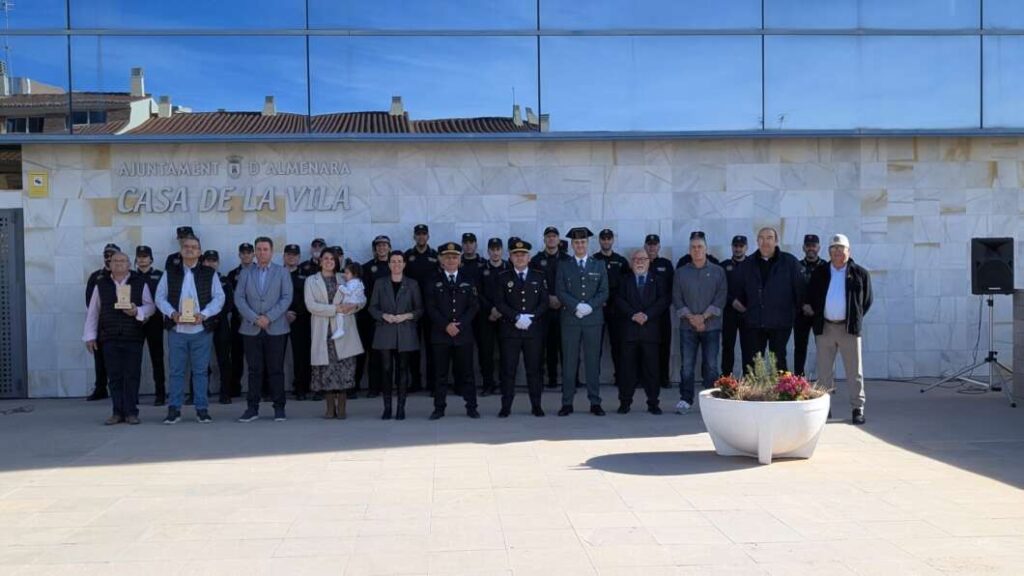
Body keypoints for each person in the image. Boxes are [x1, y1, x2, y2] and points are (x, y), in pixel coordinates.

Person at [155, 235, 225, 425]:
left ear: (200, 252)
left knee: (201, 372)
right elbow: (160, 297)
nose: (190, 249)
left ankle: (201, 409)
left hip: (201, 330)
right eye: (186, 246)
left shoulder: (209, 273)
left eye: (194, 247)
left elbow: (219, 298)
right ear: (181, 250)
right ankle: (174, 410)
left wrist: (204, 314)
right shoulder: (170, 272)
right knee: (176, 371)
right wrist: (172, 314)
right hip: (177, 329)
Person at [806, 234, 872, 425]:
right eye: (833, 248)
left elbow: (866, 301)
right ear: (828, 252)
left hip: (848, 329)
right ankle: (824, 408)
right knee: (824, 371)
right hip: (825, 328)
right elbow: (811, 295)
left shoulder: (860, 273)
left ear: (848, 251)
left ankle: (857, 407)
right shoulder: (820, 272)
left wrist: (853, 317)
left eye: (840, 248)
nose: (837, 252)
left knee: (854, 371)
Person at [82, 251, 155, 424]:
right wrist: (90, 336)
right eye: (115, 261)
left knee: (131, 375)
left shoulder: (139, 281)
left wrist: (137, 311)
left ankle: (131, 412)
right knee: (114, 376)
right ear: (109, 264)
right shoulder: (101, 284)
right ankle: (117, 412)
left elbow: (151, 306)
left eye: (123, 261)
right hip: (109, 336)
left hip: (133, 335)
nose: (119, 264)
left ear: (129, 264)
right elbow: (93, 311)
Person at [235, 236, 293, 423]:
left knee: (276, 369)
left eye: (265, 249)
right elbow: (239, 298)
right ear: (254, 252)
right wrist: (254, 318)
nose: (261, 252)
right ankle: (252, 408)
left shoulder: (282, 272)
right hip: (251, 329)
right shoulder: (246, 272)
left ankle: (279, 408)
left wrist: (268, 317)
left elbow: (286, 298)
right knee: (254, 370)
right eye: (258, 249)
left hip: (275, 327)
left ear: (271, 251)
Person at [733, 227, 804, 372]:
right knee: (753, 365)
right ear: (757, 241)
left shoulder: (790, 262)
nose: (765, 241)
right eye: (761, 238)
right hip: (754, 324)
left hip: (780, 323)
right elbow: (737, 292)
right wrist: (745, 311)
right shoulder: (747, 264)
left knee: (778, 363)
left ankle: (781, 394)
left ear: (776, 241)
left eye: (769, 237)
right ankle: (753, 394)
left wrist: (791, 314)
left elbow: (800, 291)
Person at [305, 248, 365, 419]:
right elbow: (311, 305)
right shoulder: (311, 280)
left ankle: (343, 407)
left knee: (344, 370)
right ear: (320, 260)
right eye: (325, 258)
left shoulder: (343, 276)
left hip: (344, 331)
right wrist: (334, 309)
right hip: (324, 331)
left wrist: (354, 306)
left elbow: (361, 297)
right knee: (327, 370)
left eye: (332, 258)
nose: (329, 261)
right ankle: (330, 408)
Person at [557, 227, 609, 416]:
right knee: (569, 362)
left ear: (588, 244)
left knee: (592, 362)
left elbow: (604, 291)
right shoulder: (564, 265)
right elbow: (560, 290)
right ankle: (567, 403)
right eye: (576, 242)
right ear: (572, 245)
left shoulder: (598, 264)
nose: (580, 245)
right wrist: (576, 306)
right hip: (571, 319)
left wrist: (590, 306)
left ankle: (595, 402)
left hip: (593, 319)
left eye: (583, 242)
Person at [425, 242, 481, 420]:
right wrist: (445, 325)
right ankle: (439, 408)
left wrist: (460, 325)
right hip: (441, 334)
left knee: (467, 374)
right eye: (447, 257)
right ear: (441, 259)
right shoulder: (433, 280)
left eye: (455, 257)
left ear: (460, 259)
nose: (451, 260)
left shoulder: (468, 279)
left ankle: (471, 407)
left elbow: (474, 306)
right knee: (440, 374)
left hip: (463, 335)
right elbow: (430, 307)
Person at [673, 232, 728, 414]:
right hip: (687, 328)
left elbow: (721, 298)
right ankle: (685, 399)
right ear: (689, 250)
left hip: (711, 327)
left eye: (700, 247)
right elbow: (677, 298)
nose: (697, 250)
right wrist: (692, 318)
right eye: (693, 247)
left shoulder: (718, 271)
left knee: (711, 365)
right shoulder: (681, 273)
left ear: (706, 249)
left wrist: (703, 318)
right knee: (687, 366)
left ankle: (711, 400)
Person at [494, 238, 548, 417]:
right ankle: (505, 406)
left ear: (529, 257)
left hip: (533, 331)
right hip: (510, 330)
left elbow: (544, 302)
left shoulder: (539, 276)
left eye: (523, 255)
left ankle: (537, 405)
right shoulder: (502, 277)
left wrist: (531, 317)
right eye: (516, 255)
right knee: (508, 370)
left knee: (534, 370)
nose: (520, 258)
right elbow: (500, 302)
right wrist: (516, 316)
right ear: (510, 257)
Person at [368, 250, 423, 420]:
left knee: (403, 370)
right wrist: (384, 316)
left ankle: (401, 407)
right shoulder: (380, 283)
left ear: (404, 264)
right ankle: (387, 407)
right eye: (393, 261)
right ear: (389, 264)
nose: (396, 264)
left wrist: (406, 316)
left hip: (405, 331)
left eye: (400, 261)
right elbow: (372, 307)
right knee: (386, 370)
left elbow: (419, 309)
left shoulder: (412, 284)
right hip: (385, 330)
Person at [615, 249, 670, 414]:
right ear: (632, 262)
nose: (640, 262)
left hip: (650, 332)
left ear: (649, 261)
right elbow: (618, 300)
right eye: (636, 259)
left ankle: (653, 403)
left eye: (643, 259)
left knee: (652, 370)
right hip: (629, 332)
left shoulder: (658, 280)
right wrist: (633, 314)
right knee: (627, 370)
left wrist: (647, 315)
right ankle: (625, 403)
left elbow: (663, 301)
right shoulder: (624, 281)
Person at [531, 226, 571, 389]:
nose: (551, 239)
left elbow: (571, 283)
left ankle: (570, 380)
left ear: (558, 239)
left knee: (567, 346)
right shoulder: (536, 260)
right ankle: (550, 379)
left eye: (554, 236)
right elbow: (533, 284)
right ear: (544, 239)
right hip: (543, 310)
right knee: (545, 346)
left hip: (564, 308)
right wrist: (548, 298)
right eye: (548, 236)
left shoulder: (567, 260)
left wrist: (561, 299)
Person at [356, 235, 392, 399]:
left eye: (385, 245)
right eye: (378, 246)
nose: (382, 248)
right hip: (371, 318)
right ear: (374, 249)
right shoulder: (367, 268)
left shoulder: (396, 265)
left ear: (389, 248)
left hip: (393, 317)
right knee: (372, 354)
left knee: (390, 355)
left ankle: (388, 387)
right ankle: (373, 387)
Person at [404, 224, 438, 394]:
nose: (421, 237)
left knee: (432, 348)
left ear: (428, 236)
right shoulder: (407, 256)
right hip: (412, 308)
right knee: (413, 347)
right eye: (418, 234)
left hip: (431, 308)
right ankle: (415, 382)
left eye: (424, 234)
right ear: (414, 237)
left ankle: (432, 383)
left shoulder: (435, 256)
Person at [592, 228, 628, 392]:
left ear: (613, 240)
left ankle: (620, 377)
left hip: (616, 309)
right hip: (598, 308)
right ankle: (593, 379)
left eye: (609, 238)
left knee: (618, 345)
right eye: (603, 239)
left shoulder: (620, 261)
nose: (606, 241)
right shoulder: (593, 260)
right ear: (599, 241)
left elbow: (627, 286)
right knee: (595, 346)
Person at [133, 245, 166, 406]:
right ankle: (133, 395)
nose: (142, 259)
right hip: (135, 322)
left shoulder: (160, 276)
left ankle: (160, 394)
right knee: (134, 359)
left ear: (151, 259)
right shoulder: (131, 276)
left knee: (157, 358)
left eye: (145, 256)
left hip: (155, 321)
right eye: (139, 256)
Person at [84, 243, 117, 401]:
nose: (109, 257)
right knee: (100, 357)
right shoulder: (96, 276)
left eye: (112, 254)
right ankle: (100, 388)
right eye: (106, 254)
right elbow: (90, 302)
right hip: (100, 323)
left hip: (119, 323)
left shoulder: (126, 275)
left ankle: (117, 388)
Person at [477, 237, 510, 396]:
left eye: (498, 249)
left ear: (501, 250)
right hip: (486, 317)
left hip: (505, 317)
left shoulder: (508, 268)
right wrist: (491, 309)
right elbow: (478, 293)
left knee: (506, 352)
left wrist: (501, 310)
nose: (495, 252)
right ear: (488, 251)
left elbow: (512, 294)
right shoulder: (481, 269)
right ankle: (488, 384)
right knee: (486, 353)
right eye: (492, 249)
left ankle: (505, 384)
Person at [202, 250, 234, 405]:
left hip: (220, 323)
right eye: (207, 261)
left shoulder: (224, 280)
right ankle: (200, 391)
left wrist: (215, 317)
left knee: (224, 360)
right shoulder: (197, 279)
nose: (210, 263)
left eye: (213, 261)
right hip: (201, 323)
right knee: (200, 360)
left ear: (218, 262)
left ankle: (225, 393)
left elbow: (229, 303)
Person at [644, 234, 675, 389]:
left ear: (659, 247)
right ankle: (643, 379)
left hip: (662, 314)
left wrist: (659, 307)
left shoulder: (666, 264)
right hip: (644, 315)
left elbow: (672, 290)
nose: (651, 247)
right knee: (644, 347)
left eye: (654, 244)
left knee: (664, 346)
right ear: (645, 246)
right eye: (649, 244)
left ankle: (664, 378)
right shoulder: (640, 262)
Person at [284, 244, 313, 400]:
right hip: (279, 319)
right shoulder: (277, 273)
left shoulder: (306, 274)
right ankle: (271, 389)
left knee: (301, 355)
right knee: (276, 356)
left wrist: (296, 313)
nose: (291, 257)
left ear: (299, 257)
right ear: (284, 257)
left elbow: (308, 297)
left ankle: (301, 387)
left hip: (301, 319)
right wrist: (284, 313)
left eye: (294, 255)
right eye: (289, 254)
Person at [794, 234, 826, 377]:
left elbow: (829, 291)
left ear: (819, 247)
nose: (811, 248)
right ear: (803, 247)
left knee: (824, 349)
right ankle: (798, 380)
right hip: (801, 314)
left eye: (813, 245)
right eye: (808, 245)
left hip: (820, 314)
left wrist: (816, 309)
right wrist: (803, 305)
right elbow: (793, 289)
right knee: (800, 348)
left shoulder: (826, 267)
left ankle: (825, 379)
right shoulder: (797, 267)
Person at [226, 242, 254, 400]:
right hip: (239, 320)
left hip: (257, 320)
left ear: (253, 254)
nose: (246, 255)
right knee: (236, 355)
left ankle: (262, 389)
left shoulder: (262, 271)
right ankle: (234, 388)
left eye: (249, 252)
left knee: (257, 357)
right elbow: (231, 298)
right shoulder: (232, 274)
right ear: (239, 255)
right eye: (243, 253)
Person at [721, 235, 750, 377]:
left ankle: (748, 379)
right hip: (729, 312)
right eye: (735, 246)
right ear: (732, 247)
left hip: (747, 313)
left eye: (741, 246)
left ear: (746, 247)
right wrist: (732, 301)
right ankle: (727, 379)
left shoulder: (753, 265)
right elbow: (720, 289)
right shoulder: (724, 265)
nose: (738, 249)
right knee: (728, 347)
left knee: (748, 348)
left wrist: (747, 307)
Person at [331, 261, 365, 341]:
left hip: (351, 303)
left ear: (355, 274)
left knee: (339, 314)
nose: (345, 275)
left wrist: (340, 287)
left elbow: (349, 292)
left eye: (347, 273)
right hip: (354, 302)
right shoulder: (358, 281)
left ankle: (340, 329)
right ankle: (340, 330)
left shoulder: (353, 283)